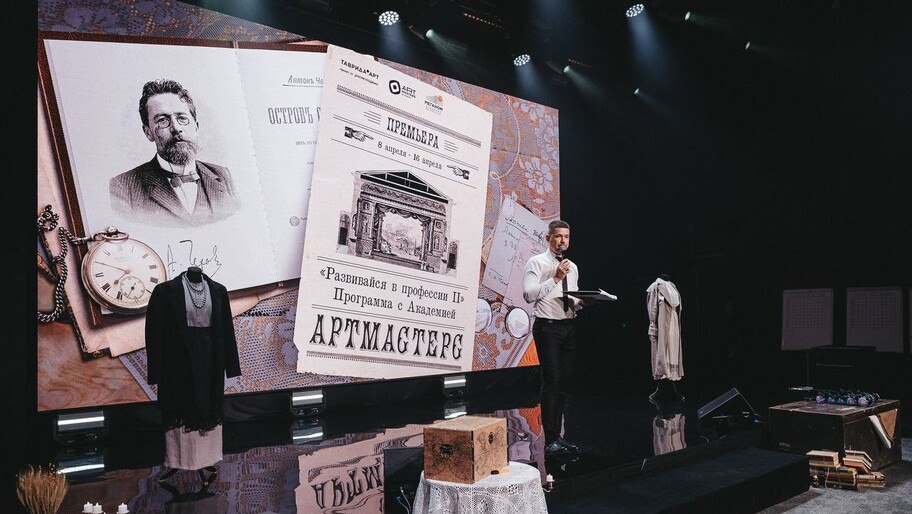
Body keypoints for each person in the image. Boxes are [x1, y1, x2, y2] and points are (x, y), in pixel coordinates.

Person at [110, 79, 239, 227]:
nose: (176, 128)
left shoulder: (222, 175)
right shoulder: (123, 187)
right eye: (163, 120)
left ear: (196, 127)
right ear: (148, 132)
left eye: (182, 118)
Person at [523, 220, 592, 455]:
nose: (563, 241)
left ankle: (558, 436)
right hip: (548, 328)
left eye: (567, 237)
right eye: (558, 236)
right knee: (552, 382)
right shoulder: (536, 262)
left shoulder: (573, 267)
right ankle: (550, 439)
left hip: (568, 327)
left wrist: (583, 302)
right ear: (548, 238)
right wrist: (554, 277)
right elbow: (528, 295)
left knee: (564, 383)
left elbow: (571, 300)